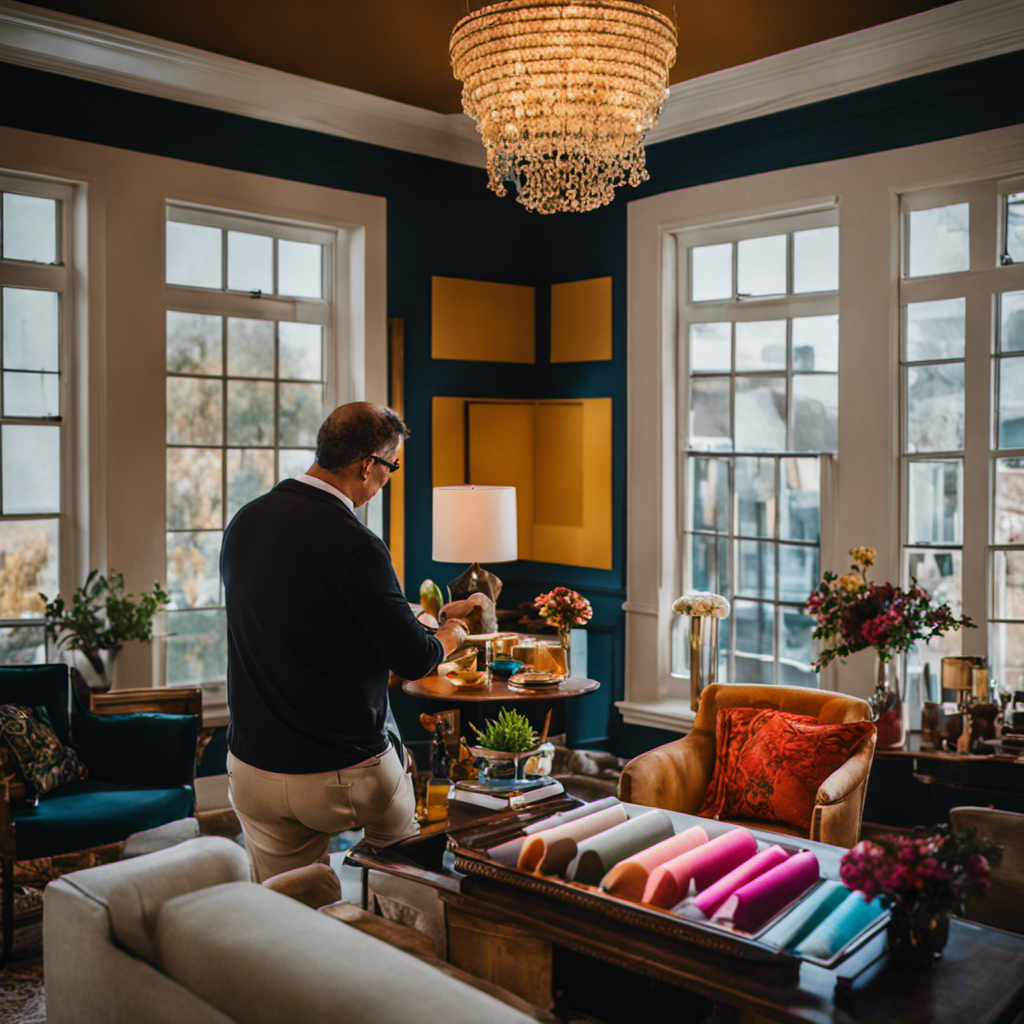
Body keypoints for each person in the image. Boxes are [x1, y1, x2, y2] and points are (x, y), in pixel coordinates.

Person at [222, 401, 469, 881]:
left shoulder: (245, 521)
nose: (388, 478)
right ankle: (389, 940)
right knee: (402, 864)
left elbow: (307, 615)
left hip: (252, 766)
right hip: (339, 774)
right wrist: (449, 633)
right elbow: (415, 660)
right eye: (391, 467)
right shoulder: (356, 543)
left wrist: (406, 616)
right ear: (368, 465)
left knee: (288, 901)